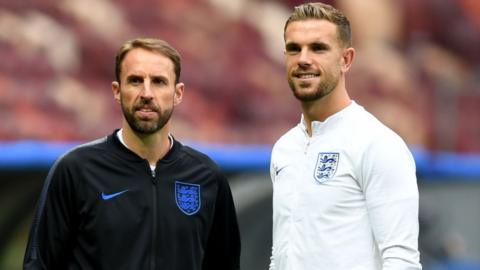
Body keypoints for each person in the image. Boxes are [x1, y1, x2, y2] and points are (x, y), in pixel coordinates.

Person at [23, 38, 241, 270]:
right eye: (136, 80)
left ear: (178, 93)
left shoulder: (207, 176)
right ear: (117, 91)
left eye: (158, 82)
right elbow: (39, 265)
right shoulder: (75, 170)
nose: (147, 93)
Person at [269, 3, 421, 270]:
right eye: (294, 48)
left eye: (318, 48)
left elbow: (402, 260)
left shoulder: (377, 144)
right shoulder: (284, 148)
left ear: (346, 59)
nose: (303, 58)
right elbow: (281, 253)